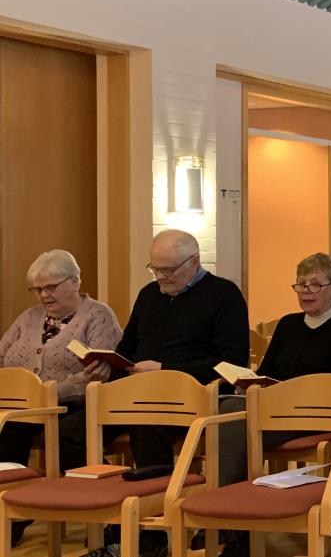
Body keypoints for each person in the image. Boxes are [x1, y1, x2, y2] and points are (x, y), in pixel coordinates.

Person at [87, 230, 249, 557]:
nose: (160, 277)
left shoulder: (223, 295)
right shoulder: (149, 294)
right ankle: (117, 514)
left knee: (146, 426)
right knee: (68, 432)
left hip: (192, 398)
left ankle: (152, 533)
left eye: (168, 270)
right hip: (137, 393)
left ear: (194, 262)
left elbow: (231, 361)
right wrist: (110, 365)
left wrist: (165, 368)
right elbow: (129, 348)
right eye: (155, 269)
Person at [217, 253, 331, 557]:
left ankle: (228, 526)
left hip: (319, 413)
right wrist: (248, 382)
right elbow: (267, 371)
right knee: (226, 410)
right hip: (275, 408)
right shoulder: (288, 324)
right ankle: (232, 525)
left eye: (315, 285)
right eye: (301, 285)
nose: (306, 292)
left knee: (234, 425)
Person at [0, 251, 121, 545]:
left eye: (51, 287)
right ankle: (14, 507)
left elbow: (97, 375)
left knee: (61, 434)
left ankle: (108, 507)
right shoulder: (29, 318)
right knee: (9, 428)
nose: (43, 295)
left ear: (75, 281)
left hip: (75, 405)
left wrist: (47, 392)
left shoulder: (97, 316)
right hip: (25, 405)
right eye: (38, 289)